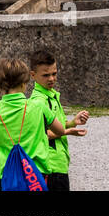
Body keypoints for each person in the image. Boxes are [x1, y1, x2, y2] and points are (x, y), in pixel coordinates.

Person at [0, 57, 65, 190]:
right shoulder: (38, 106)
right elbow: (60, 130)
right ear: (24, 82)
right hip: (37, 177)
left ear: (0, 84)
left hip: (8, 178)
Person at [28, 49, 89, 191]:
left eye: (54, 74)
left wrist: (73, 122)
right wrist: (67, 131)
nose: (51, 79)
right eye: (46, 75)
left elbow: (54, 126)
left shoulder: (52, 95)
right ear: (33, 75)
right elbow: (42, 134)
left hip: (59, 165)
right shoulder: (38, 101)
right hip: (50, 167)